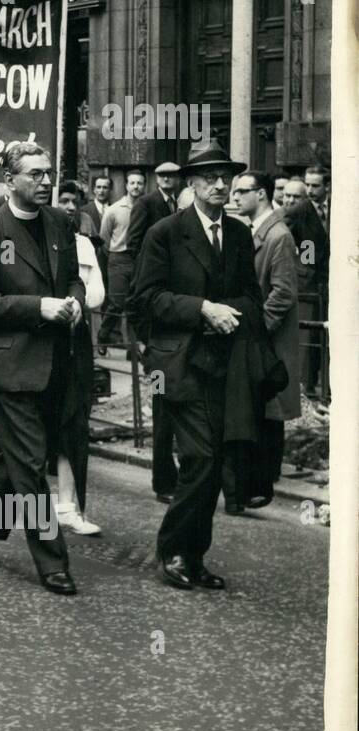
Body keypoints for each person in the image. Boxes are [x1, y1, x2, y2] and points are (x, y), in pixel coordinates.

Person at [130, 140, 268, 592]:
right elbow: (145, 299)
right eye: (210, 178)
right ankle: (171, 549)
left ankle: (193, 556)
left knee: (211, 462)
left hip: (223, 366)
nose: (220, 185)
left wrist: (230, 312)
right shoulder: (166, 233)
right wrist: (203, 308)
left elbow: (252, 295)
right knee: (201, 460)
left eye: (225, 178)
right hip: (178, 364)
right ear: (190, 184)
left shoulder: (240, 233)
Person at [0, 141, 82, 595]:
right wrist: (40, 308)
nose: (46, 181)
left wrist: (76, 304)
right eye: (35, 174)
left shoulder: (60, 223)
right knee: (30, 466)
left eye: (48, 172)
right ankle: (53, 562)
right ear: (9, 181)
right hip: (12, 368)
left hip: (58, 363)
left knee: (17, 456)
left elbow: (72, 278)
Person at [230, 171, 300, 509]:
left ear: (260, 194)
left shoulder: (279, 235)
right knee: (257, 412)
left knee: (267, 414)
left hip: (267, 341)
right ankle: (252, 485)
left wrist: (256, 331)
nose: (234, 198)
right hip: (260, 340)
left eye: (241, 192)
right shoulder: (259, 231)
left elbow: (283, 293)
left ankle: (261, 486)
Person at [122, 161, 182, 502]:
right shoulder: (146, 205)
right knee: (162, 411)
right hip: (155, 347)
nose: (167, 181)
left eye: (172, 176)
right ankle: (163, 481)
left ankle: (176, 476)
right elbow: (134, 244)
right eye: (162, 176)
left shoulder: (178, 206)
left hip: (172, 346)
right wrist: (142, 341)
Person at [52, 184, 105, 535]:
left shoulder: (84, 244)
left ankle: (68, 505)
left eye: (75, 202)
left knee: (74, 424)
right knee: (35, 433)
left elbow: (98, 292)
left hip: (74, 341)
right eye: (64, 201)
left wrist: (76, 303)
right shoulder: (38, 241)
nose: (69, 207)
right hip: (41, 344)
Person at [282, 177, 329, 397]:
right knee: (308, 339)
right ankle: (306, 388)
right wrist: (305, 266)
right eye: (287, 196)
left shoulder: (326, 209)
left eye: (296, 196)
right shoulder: (294, 214)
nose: (292, 200)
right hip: (308, 285)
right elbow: (288, 243)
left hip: (324, 283)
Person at [97, 168, 145, 344]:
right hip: (118, 258)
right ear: (126, 185)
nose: (136, 186)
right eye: (132, 183)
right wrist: (115, 255)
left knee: (135, 304)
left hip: (140, 260)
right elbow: (104, 238)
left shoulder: (147, 208)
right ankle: (102, 336)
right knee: (117, 302)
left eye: (139, 183)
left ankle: (132, 348)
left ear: (144, 186)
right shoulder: (114, 210)